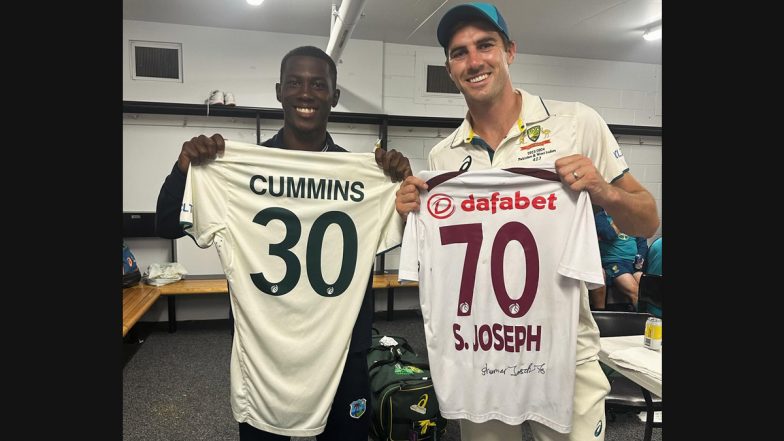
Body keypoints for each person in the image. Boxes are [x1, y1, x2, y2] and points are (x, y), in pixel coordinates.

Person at [394, 3, 659, 441]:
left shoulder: (576, 122)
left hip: (564, 355)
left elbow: (648, 219)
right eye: (459, 52)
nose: (474, 61)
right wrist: (410, 213)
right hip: (480, 356)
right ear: (449, 67)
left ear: (510, 51)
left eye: (485, 45)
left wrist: (601, 189)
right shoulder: (444, 156)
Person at [155, 45, 412, 441]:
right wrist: (184, 169)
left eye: (317, 85)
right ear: (279, 91)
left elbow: (412, 240)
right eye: (294, 83)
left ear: (335, 96)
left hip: (343, 343)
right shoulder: (237, 169)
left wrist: (399, 185)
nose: (305, 93)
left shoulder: (365, 175)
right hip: (265, 346)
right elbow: (167, 223)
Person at [593, 208, 649, 307]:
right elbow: (608, 234)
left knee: (647, 287)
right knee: (635, 291)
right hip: (614, 263)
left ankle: (651, 317)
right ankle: (643, 321)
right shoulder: (601, 217)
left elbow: (642, 243)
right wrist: (621, 218)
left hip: (633, 264)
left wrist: (639, 260)